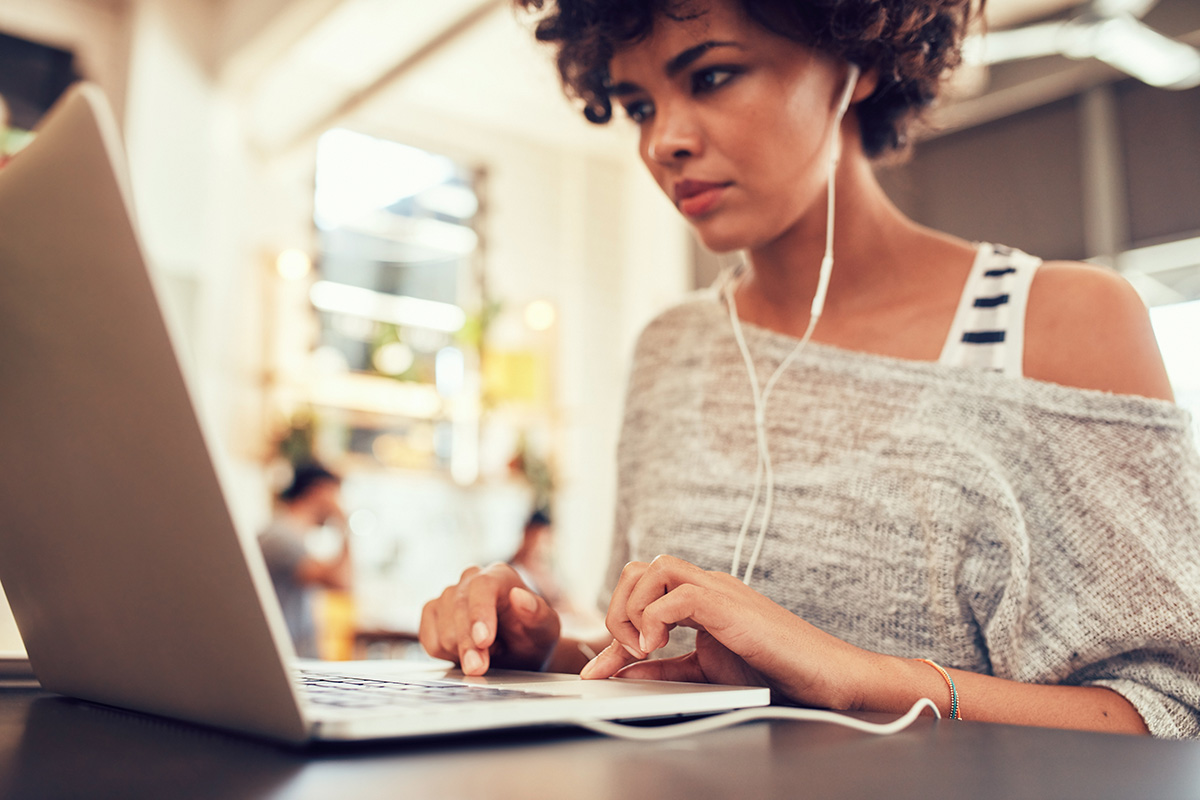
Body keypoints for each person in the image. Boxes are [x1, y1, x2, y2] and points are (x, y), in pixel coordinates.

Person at [419, 0, 1200, 737]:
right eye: (639, 105)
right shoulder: (671, 350)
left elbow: (1171, 713)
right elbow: (654, 668)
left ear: (855, 62)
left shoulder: (1059, 323)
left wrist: (855, 677)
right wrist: (539, 650)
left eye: (712, 76)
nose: (663, 142)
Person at [258, 463, 352, 659]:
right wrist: (344, 523)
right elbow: (342, 582)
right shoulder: (280, 537)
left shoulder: (290, 537)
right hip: (286, 658)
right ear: (319, 491)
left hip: (295, 656)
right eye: (336, 494)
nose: (339, 502)